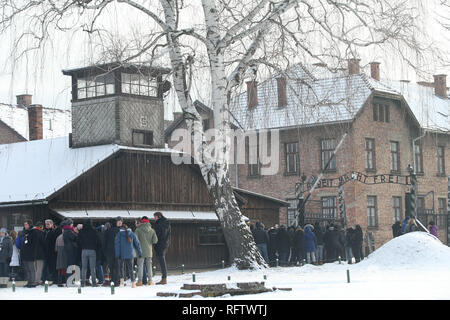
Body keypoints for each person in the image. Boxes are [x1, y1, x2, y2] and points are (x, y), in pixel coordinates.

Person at [114, 223, 142, 288]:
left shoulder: (119, 234)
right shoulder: (132, 234)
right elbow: (137, 244)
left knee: (121, 268)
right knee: (131, 269)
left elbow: (117, 245)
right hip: (130, 254)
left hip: (121, 255)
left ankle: (122, 282)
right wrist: (140, 253)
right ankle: (133, 283)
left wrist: (117, 254)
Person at [135, 216, 158, 286]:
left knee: (140, 266)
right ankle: (150, 280)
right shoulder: (152, 230)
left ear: (141, 222)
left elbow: (135, 240)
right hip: (149, 251)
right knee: (149, 266)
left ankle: (140, 281)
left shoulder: (138, 230)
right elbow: (155, 241)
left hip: (140, 251)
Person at [77, 218, 101, 287]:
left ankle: (82, 283)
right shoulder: (94, 230)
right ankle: (94, 283)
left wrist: (82, 246)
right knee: (92, 267)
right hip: (92, 250)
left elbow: (78, 240)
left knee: (84, 267)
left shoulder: (82, 231)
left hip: (84, 250)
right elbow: (98, 241)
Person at [153, 212, 171, 285]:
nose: (154, 218)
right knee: (162, 259)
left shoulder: (159, 224)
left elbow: (158, 234)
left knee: (161, 260)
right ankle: (164, 277)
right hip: (165, 243)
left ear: (158, 216)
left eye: (155, 217)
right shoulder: (166, 223)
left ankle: (164, 278)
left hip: (160, 243)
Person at [104, 217, 122, 287]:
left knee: (111, 267)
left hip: (109, 251)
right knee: (117, 266)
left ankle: (112, 280)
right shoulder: (119, 230)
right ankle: (117, 281)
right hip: (117, 251)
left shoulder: (107, 231)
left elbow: (104, 242)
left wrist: (105, 251)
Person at [32, 221, 47, 286]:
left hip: (33, 253)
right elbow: (43, 243)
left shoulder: (32, 232)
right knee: (39, 268)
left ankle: (34, 279)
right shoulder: (41, 233)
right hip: (40, 253)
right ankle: (37, 280)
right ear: (41, 227)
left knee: (34, 268)